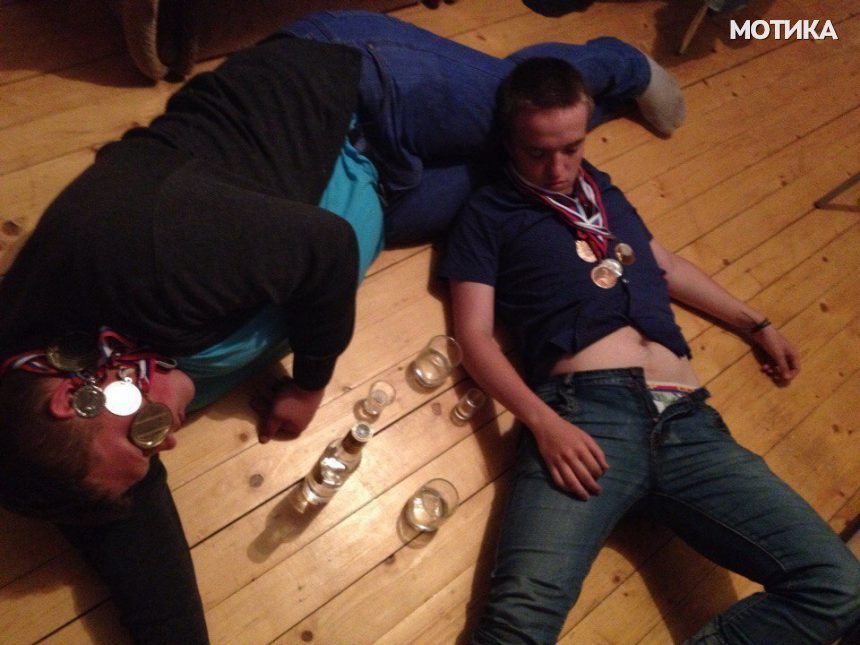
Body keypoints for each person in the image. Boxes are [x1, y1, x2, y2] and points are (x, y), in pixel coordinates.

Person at [0, 11, 686, 643]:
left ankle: (623, 64)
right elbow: (149, 579)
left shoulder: (138, 255)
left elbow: (325, 250)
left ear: (71, 395)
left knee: (527, 109)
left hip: (355, 86)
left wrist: (310, 384)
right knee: (525, 168)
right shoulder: (55, 436)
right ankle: (581, 133)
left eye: (148, 434)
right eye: (154, 446)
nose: (165, 436)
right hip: (380, 192)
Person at [439, 57, 860, 643]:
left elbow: (664, 264)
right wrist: (542, 421)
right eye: (538, 152)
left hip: (689, 421)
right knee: (516, 625)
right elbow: (474, 337)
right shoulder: (488, 213)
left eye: (572, 148)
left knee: (838, 586)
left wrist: (755, 322)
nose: (558, 168)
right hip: (583, 416)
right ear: (509, 141)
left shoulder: (602, 190)